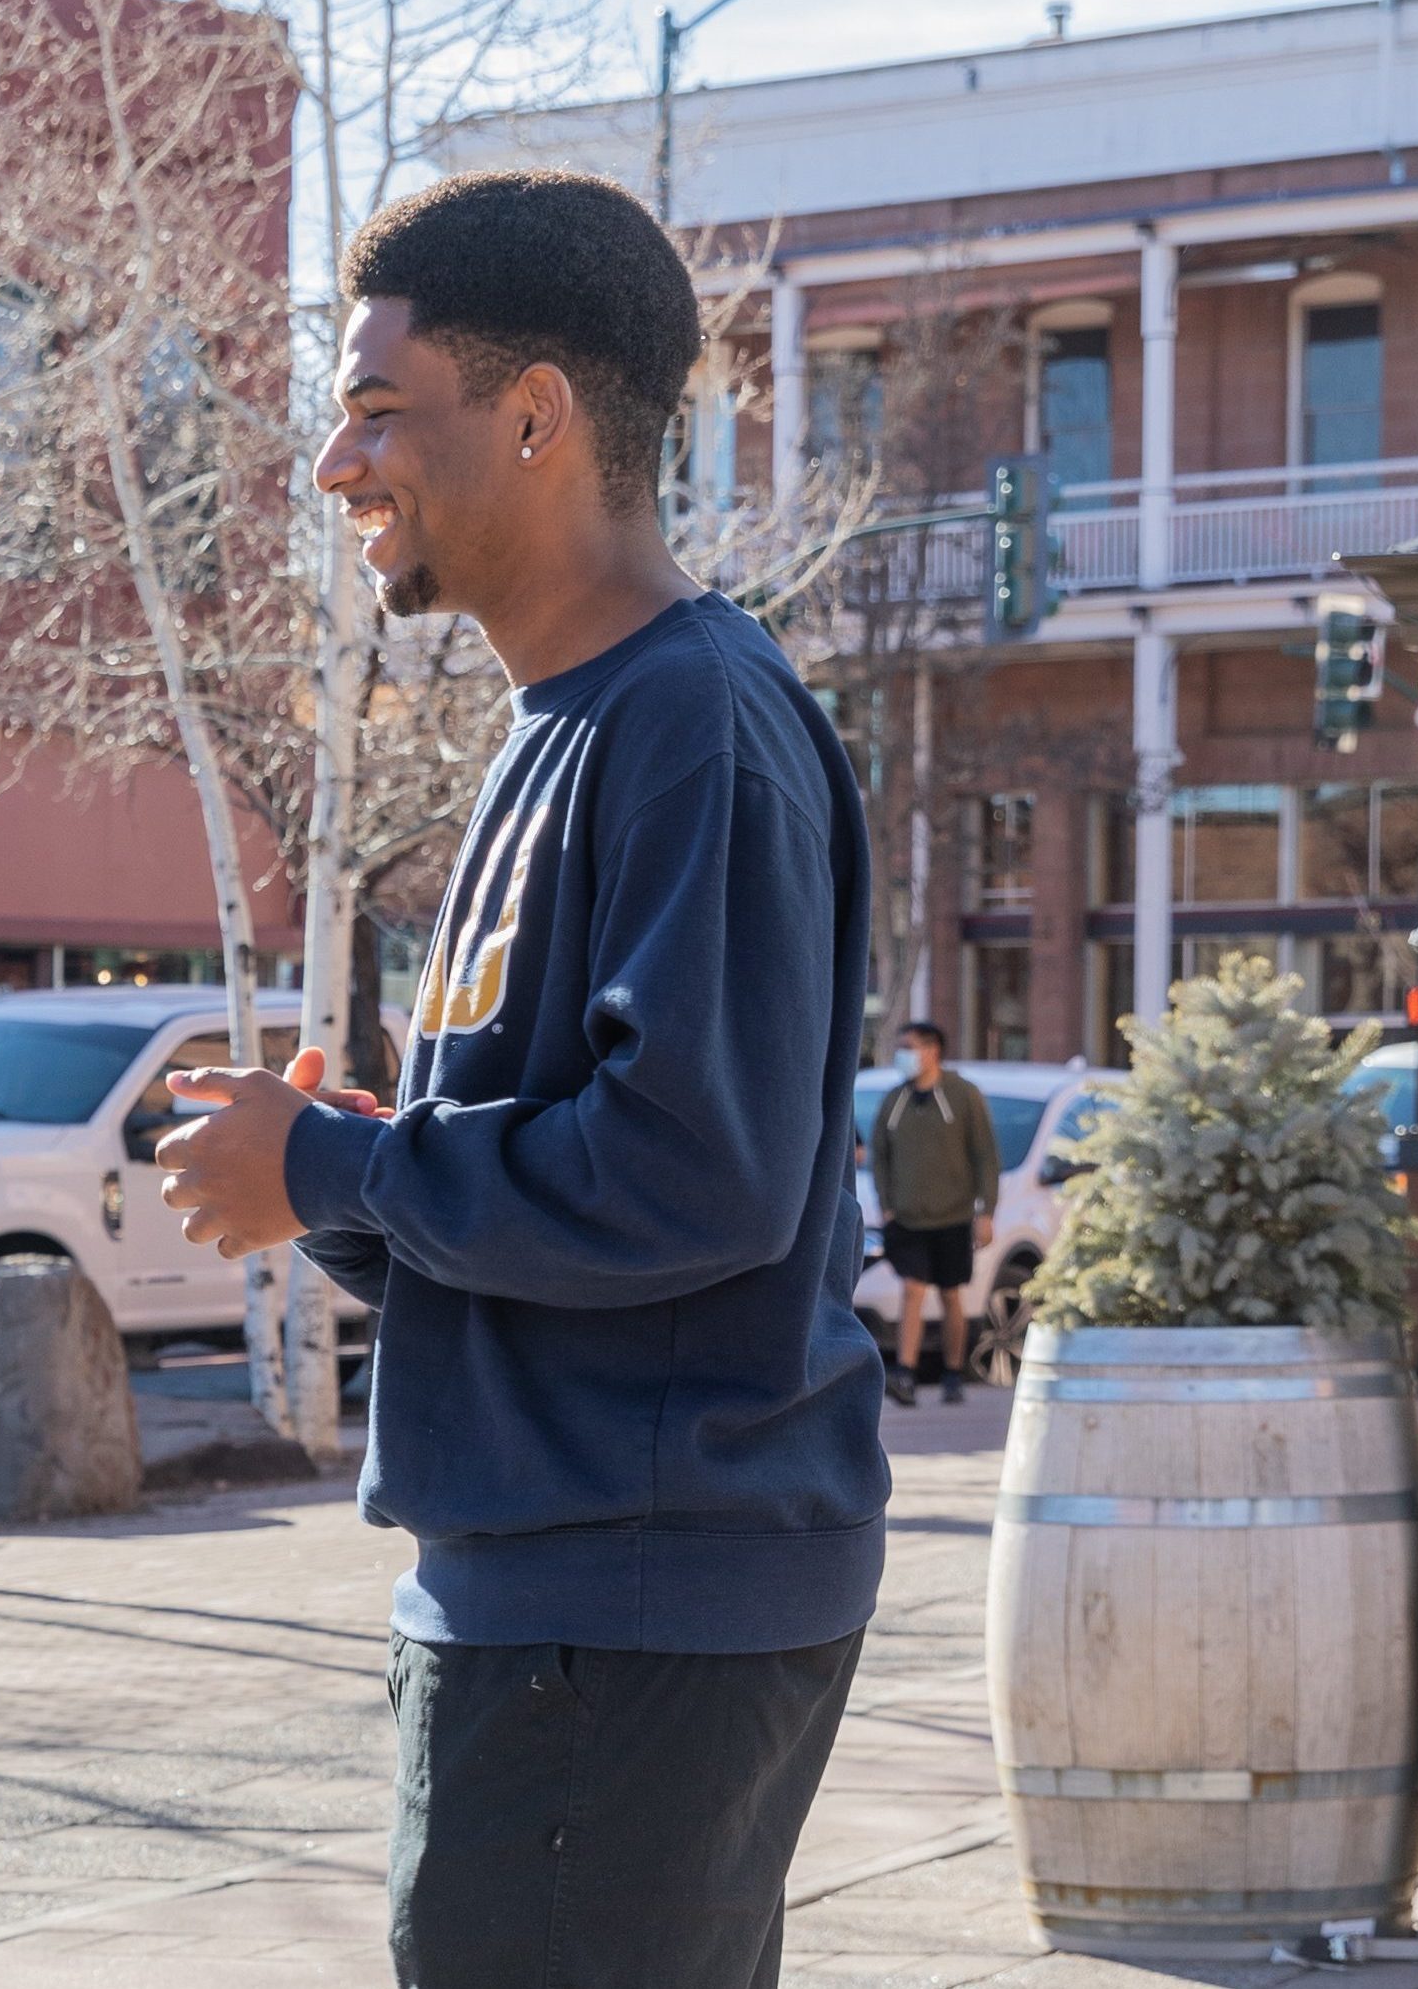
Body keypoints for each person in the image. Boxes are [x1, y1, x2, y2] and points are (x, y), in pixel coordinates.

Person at [152, 169, 886, 1989]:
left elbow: (690, 1178)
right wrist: (330, 1178)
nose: (335, 464)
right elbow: (570, 1192)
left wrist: (338, 1173)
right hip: (556, 1599)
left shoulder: (689, 725)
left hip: (622, 1611)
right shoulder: (566, 726)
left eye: (379, 408)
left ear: (538, 414)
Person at [859, 1021, 998, 1406]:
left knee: (951, 1294)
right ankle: (905, 1372)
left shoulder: (963, 1095)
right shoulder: (894, 1099)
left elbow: (985, 1154)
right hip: (905, 1217)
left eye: (910, 1047)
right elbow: (880, 1155)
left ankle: (954, 1372)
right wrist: (887, 1205)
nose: (903, 1054)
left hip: (952, 1215)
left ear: (932, 1049)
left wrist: (985, 1210)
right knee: (912, 1290)